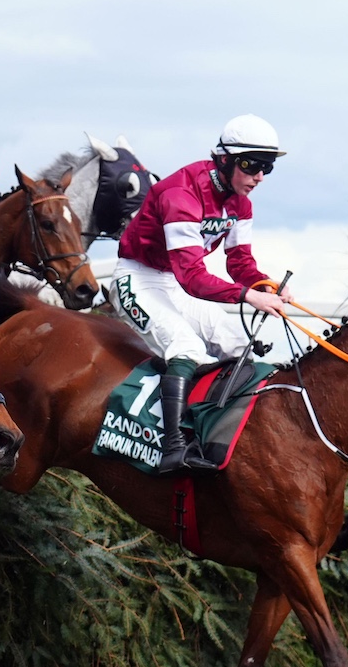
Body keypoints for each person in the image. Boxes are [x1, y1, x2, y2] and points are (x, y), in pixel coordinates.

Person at [113, 114, 289, 475]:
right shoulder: (181, 194)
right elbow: (193, 276)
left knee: (237, 345)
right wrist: (248, 297)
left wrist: (265, 285)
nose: (259, 177)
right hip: (139, 277)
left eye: (266, 168)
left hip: (174, 281)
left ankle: (226, 433)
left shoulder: (241, 203)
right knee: (186, 347)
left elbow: (240, 264)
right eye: (251, 165)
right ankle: (172, 448)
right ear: (224, 160)